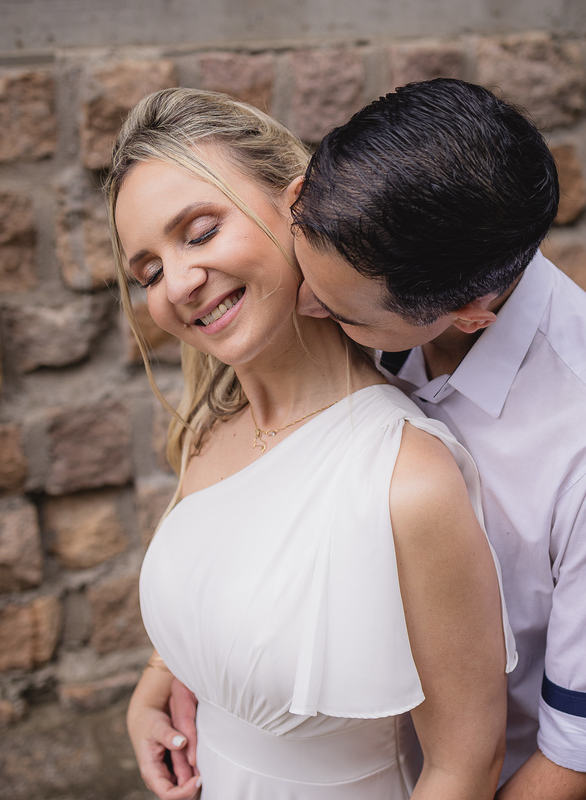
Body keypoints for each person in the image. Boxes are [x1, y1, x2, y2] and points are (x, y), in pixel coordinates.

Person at [110, 87, 516, 799]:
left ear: (295, 205)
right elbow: (229, 587)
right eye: (147, 270)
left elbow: (463, 765)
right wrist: (158, 681)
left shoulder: (404, 480)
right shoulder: (212, 426)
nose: (177, 283)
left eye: (199, 232)